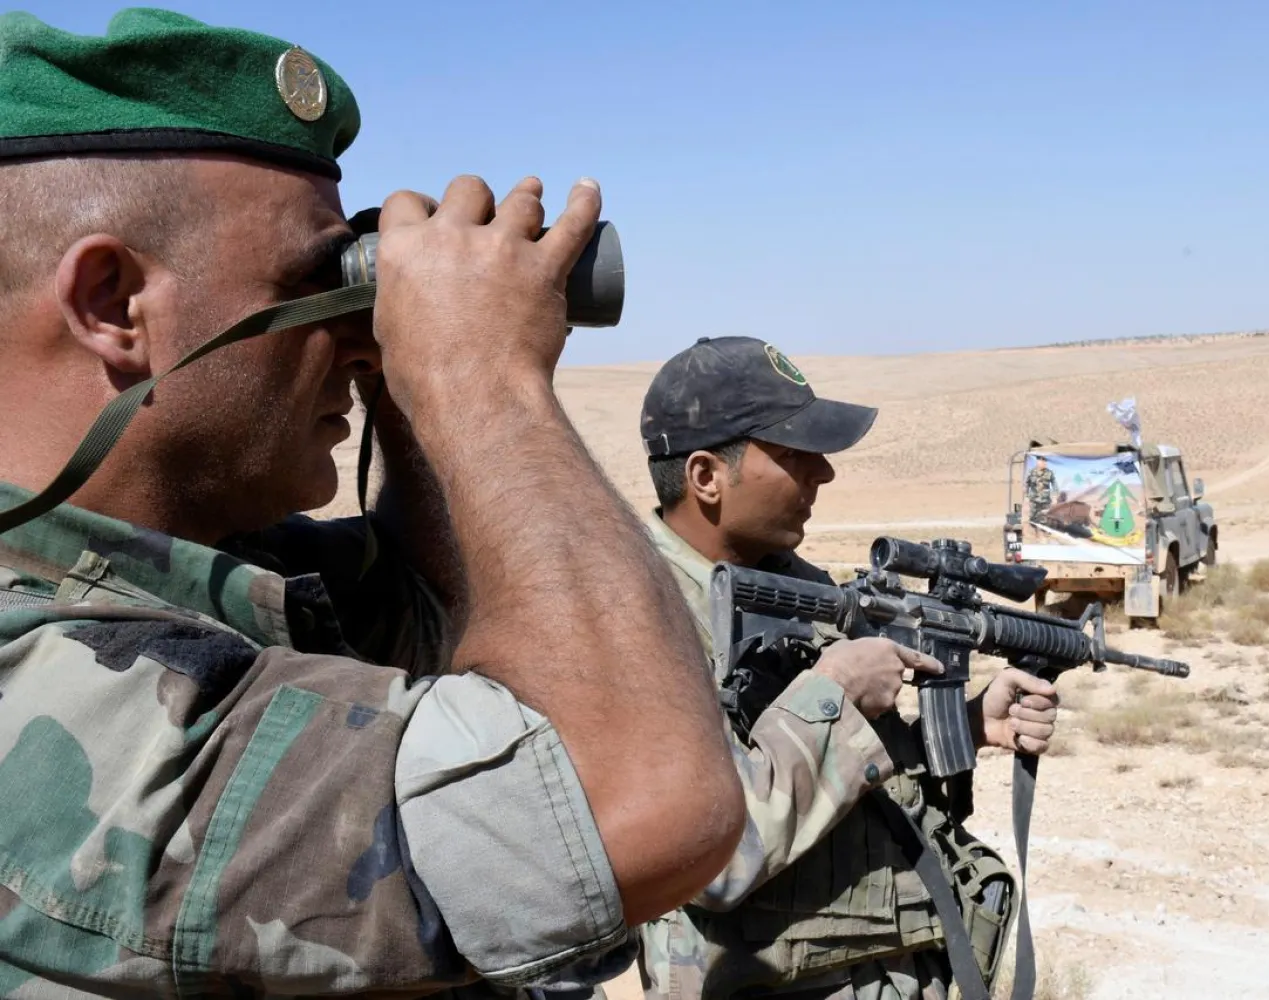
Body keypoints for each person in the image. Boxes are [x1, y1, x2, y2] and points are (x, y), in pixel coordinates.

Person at [0, 9, 746, 996]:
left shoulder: (205, 574)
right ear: (113, 302)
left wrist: (411, 372)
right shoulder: (37, 679)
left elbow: (465, 633)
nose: (359, 340)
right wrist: (481, 378)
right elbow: (638, 800)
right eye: (318, 285)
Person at [632, 335, 1061, 1000]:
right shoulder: (634, 616)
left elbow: (825, 783)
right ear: (705, 477)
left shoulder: (796, 588)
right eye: (794, 454)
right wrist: (834, 693)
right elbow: (705, 854)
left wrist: (966, 728)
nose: (824, 473)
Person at [1025, 455, 1057, 522]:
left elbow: (1055, 485)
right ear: (1038, 462)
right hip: (1034, 500)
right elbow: (1026, 484)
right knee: (1032, 518)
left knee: (1045, 519)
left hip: (1045, 501)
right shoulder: (1031, 472)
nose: (1044, 463)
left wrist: (1055, 497)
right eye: (1042, 461)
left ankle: (1043, 531)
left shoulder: (1049, 473)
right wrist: (1026, 496)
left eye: (1045, 461)